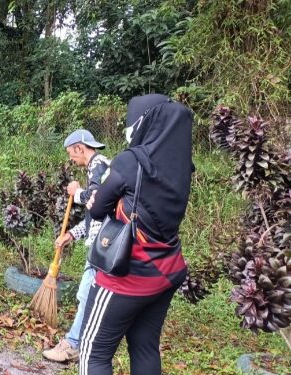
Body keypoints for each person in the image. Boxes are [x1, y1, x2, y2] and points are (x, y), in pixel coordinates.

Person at [79, 94, 191, 374]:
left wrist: (94, 200)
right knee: (144, 346)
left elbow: (97, 208)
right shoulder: (182, 166)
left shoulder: (131, 161)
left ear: (145, 123)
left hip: (129, 275)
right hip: (168, 271)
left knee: (93, 353)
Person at [42, 129, 110, 362]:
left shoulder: (99, 164)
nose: (71, 159)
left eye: (72, 153)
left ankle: (72, 345)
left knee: (86, 295)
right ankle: (84, 342)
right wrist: (71, 234)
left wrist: (76, 192)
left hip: (104, 247)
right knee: (90, 296)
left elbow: (96, 198)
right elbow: (96, 216)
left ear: (80, 148)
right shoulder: (98, 168)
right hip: (102, 243)